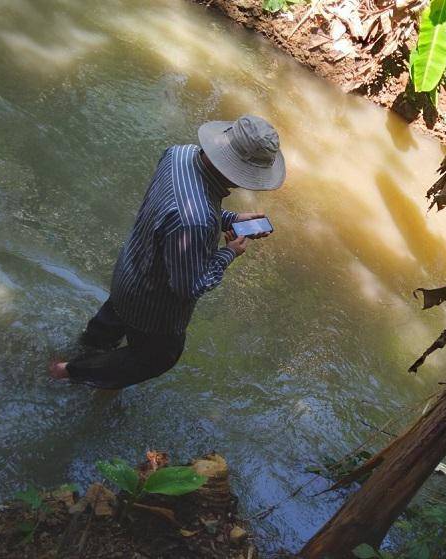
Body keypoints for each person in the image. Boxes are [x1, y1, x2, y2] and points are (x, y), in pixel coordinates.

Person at [48, 115, 285, 389]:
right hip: (152, 307)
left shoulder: (179, 154)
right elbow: (189, 286)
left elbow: (174, 212)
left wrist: (230, 219)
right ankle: (69, 371)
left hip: (129, 270)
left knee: (105, 330)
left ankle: (82, 351)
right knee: (157, 358)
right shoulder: (196, 222)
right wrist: (229, 253)